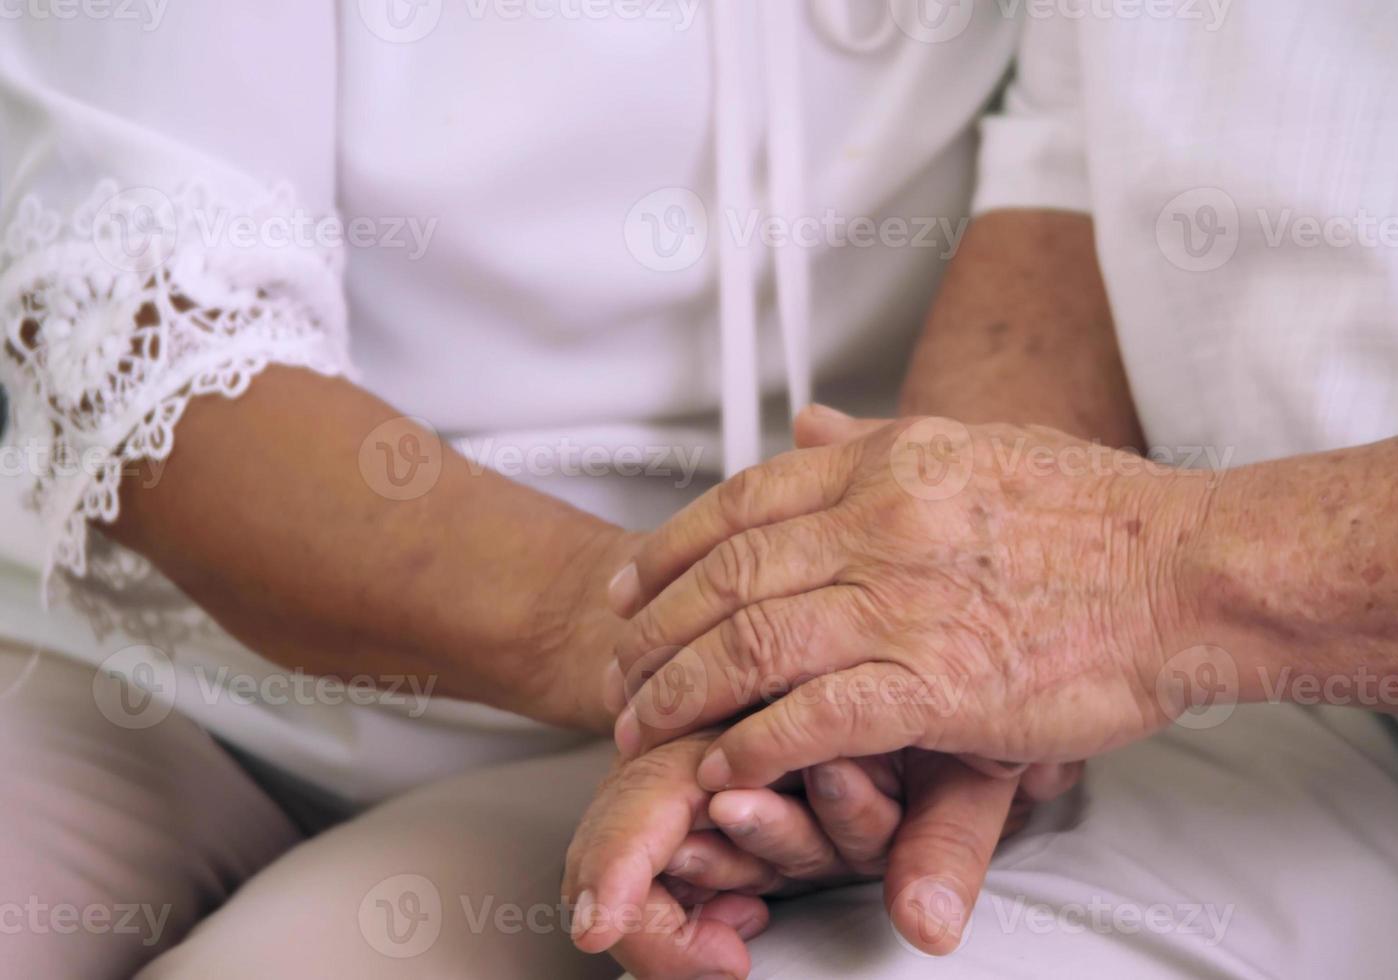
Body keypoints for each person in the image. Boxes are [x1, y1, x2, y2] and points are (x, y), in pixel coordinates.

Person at [589, 4, 1398, 978]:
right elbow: (1067, 197)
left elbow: (1135, 580)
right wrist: (902, 679)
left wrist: (1143, 577)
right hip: (1340, 755)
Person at [0, 3, 1061, 977]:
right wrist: (713, 644)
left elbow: (1063, 212)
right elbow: (148, 352)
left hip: (641, 749)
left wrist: (907, 669)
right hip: (141, 662)